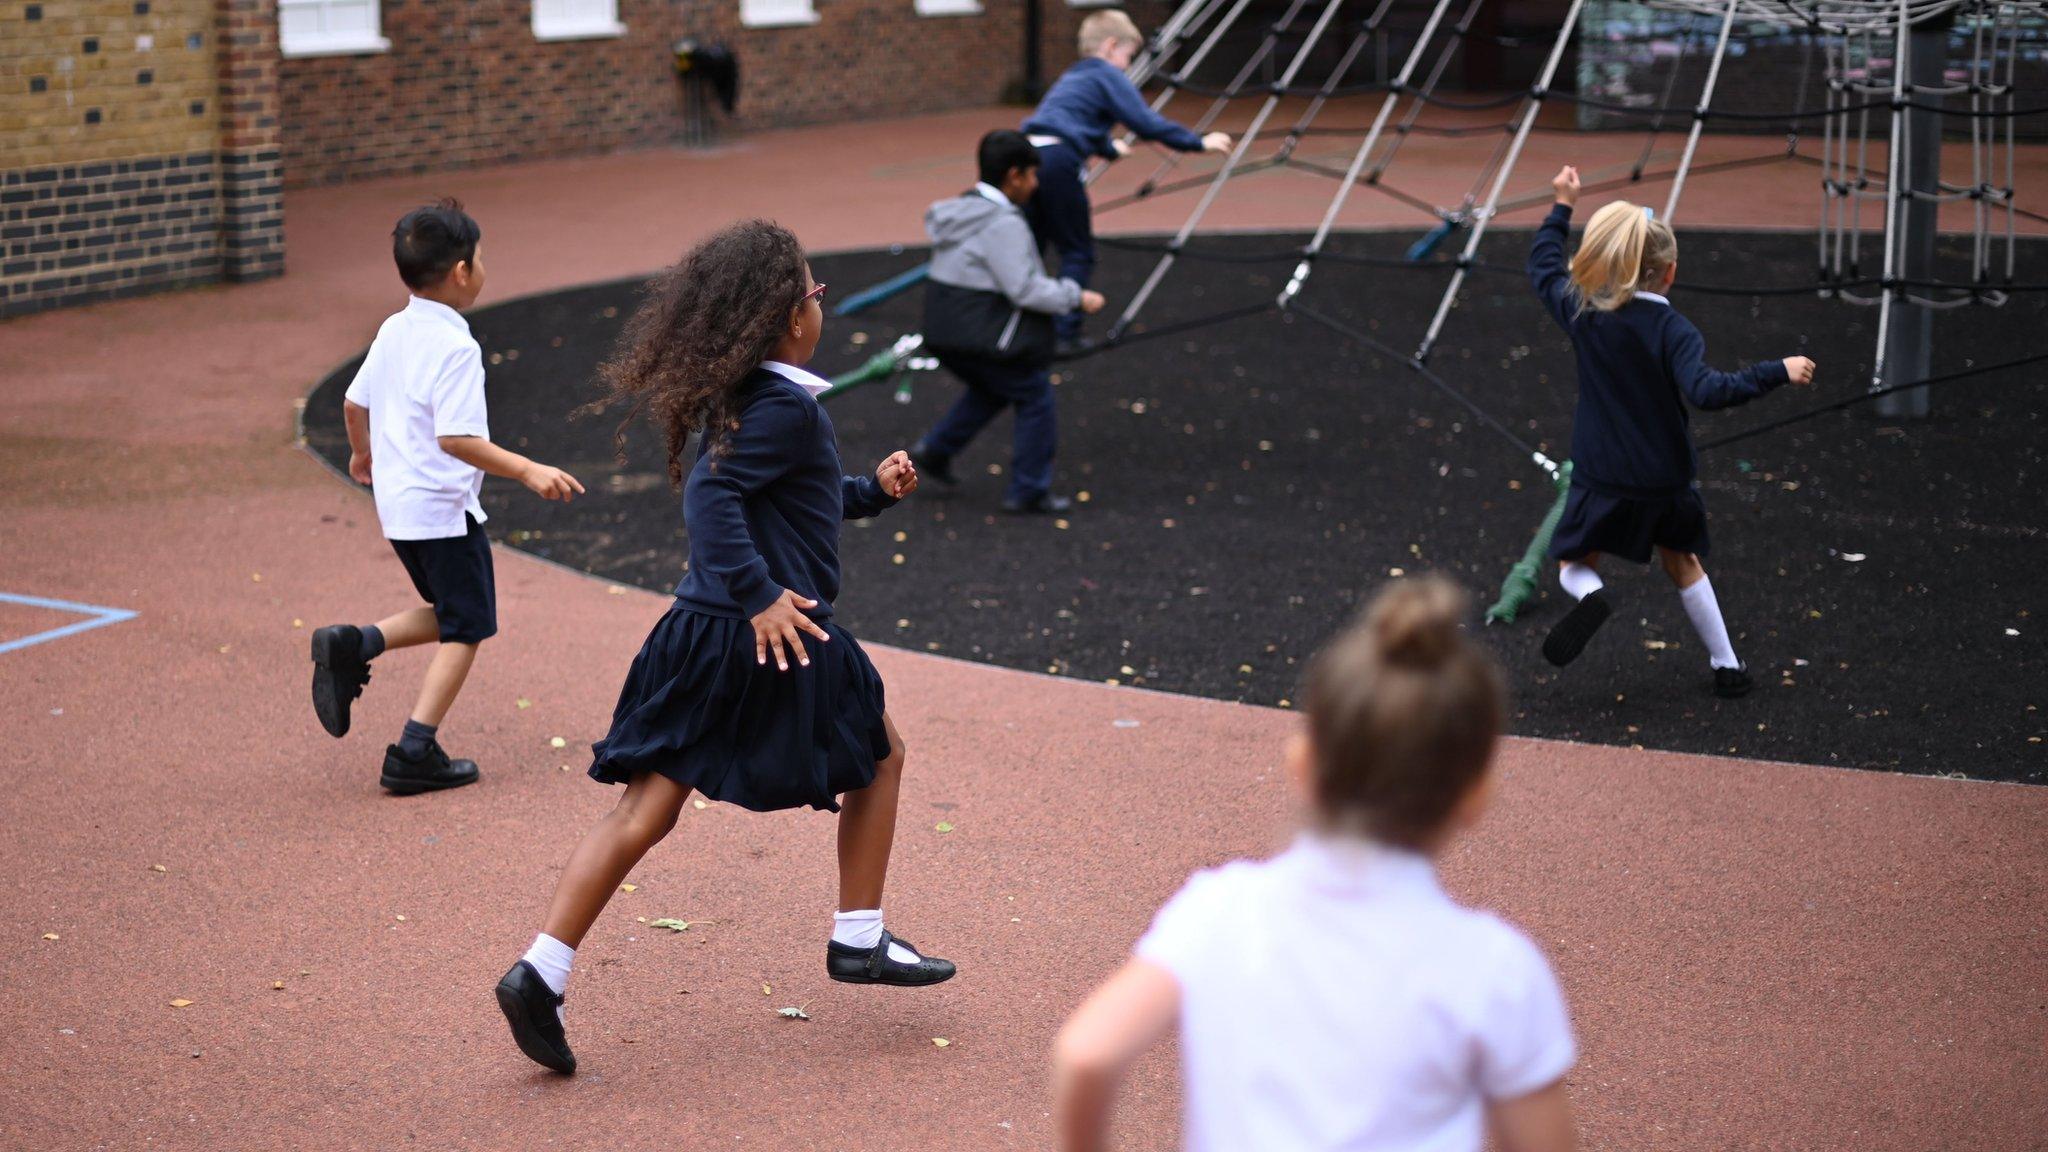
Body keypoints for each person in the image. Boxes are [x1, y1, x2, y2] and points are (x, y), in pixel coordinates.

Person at [495, 220, 949, 1077]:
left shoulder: (755, 399)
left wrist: (871, 494)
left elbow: (790, 500)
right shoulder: (784, 406)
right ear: (785, 318)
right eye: (813, 294)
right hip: (770, 631)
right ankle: (859, 936)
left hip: (696, 634)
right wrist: (761, 598)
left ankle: (540, 971)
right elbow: (710, 499)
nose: (821, 305)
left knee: (647, 809)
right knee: (883, 755)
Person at [1052, 578, 1579, 1152]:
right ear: (1475, 795)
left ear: (1304, 765)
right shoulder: (1498, 970)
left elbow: (1087, 1055)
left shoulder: (1219, 910)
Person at [311, 199, 584, 794]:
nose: (484, 267)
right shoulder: (457, 348)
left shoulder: (394, 328)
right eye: (480, 258)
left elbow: (353, 404)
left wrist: (361, 455)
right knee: (468, 627)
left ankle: (356, 644)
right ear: (461, 272)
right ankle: (415, 749)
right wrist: (528, 469)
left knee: (456, 610)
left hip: (399, 511)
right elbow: (457, 438)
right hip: (440, 508)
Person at [1530, 166, 1816, 697]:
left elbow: (1544, 266)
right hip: (1665, 478)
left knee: (1574, 563)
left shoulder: (1585, 313)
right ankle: (1728, 667)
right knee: (1684, 563)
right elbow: (1709, 391)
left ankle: (1593, 596)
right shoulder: (1674, 330)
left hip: (1602, 476)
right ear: (1670, 273)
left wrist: (1562, 205)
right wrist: (1778, 369)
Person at [912, 130, 1104, 515]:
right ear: (1014, 175)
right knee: (1034, 393)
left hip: (942, 329)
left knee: (994, 386)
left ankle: (935, 450)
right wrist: (1075, 296)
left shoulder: (961, 210)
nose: (1036, 186)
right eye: (1033, 176)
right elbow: (1025, 289)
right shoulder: (1004, 222)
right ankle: (1029, 489)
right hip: (976, 332)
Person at [1021, 9, 1232, 349]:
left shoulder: (1075, 75)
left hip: (1028, 155)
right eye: (1127, 56)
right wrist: (1197, 142)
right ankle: (1064, 333)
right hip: (1058, 160)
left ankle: (1018, 322)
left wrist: (1106, 147)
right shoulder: (1107, 74)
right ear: (1110, 45)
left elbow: (1067, 118)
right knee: (1077, 250)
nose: (1126, 65)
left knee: (1029, 245)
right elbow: (1144, 122)